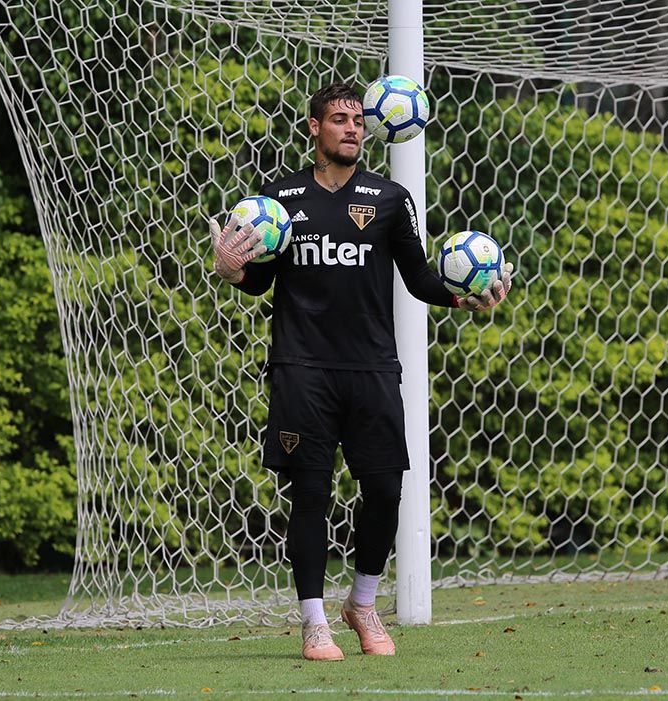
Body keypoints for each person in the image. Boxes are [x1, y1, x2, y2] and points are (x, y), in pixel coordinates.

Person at [209, 82, 512, 661]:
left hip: (372, 367)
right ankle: (314, 621)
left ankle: (363, 602)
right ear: (314, 128)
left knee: (386, 488)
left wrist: (462, 297)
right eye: (340, 119)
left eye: (358, 119)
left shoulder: (392, 198)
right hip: (301, 367)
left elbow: (421, 278)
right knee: (312, 492)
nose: (352, 127)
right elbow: (260, 281)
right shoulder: (279, 201)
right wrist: (231, 270)